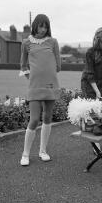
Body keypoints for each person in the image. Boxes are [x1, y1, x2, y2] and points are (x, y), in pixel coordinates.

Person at [19, 14, 61, 166]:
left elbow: (58, 65)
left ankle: (43, 151)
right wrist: (32, 78)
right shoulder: (26, 43)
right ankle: (25, 154)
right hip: (34, 86)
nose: (43, 29)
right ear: (35, 25)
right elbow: (23, 66)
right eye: (40, 26)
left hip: (50, 85)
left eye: (46, 26)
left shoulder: (53, 42)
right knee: (34, 119)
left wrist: (48, 76)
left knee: (48, 117)